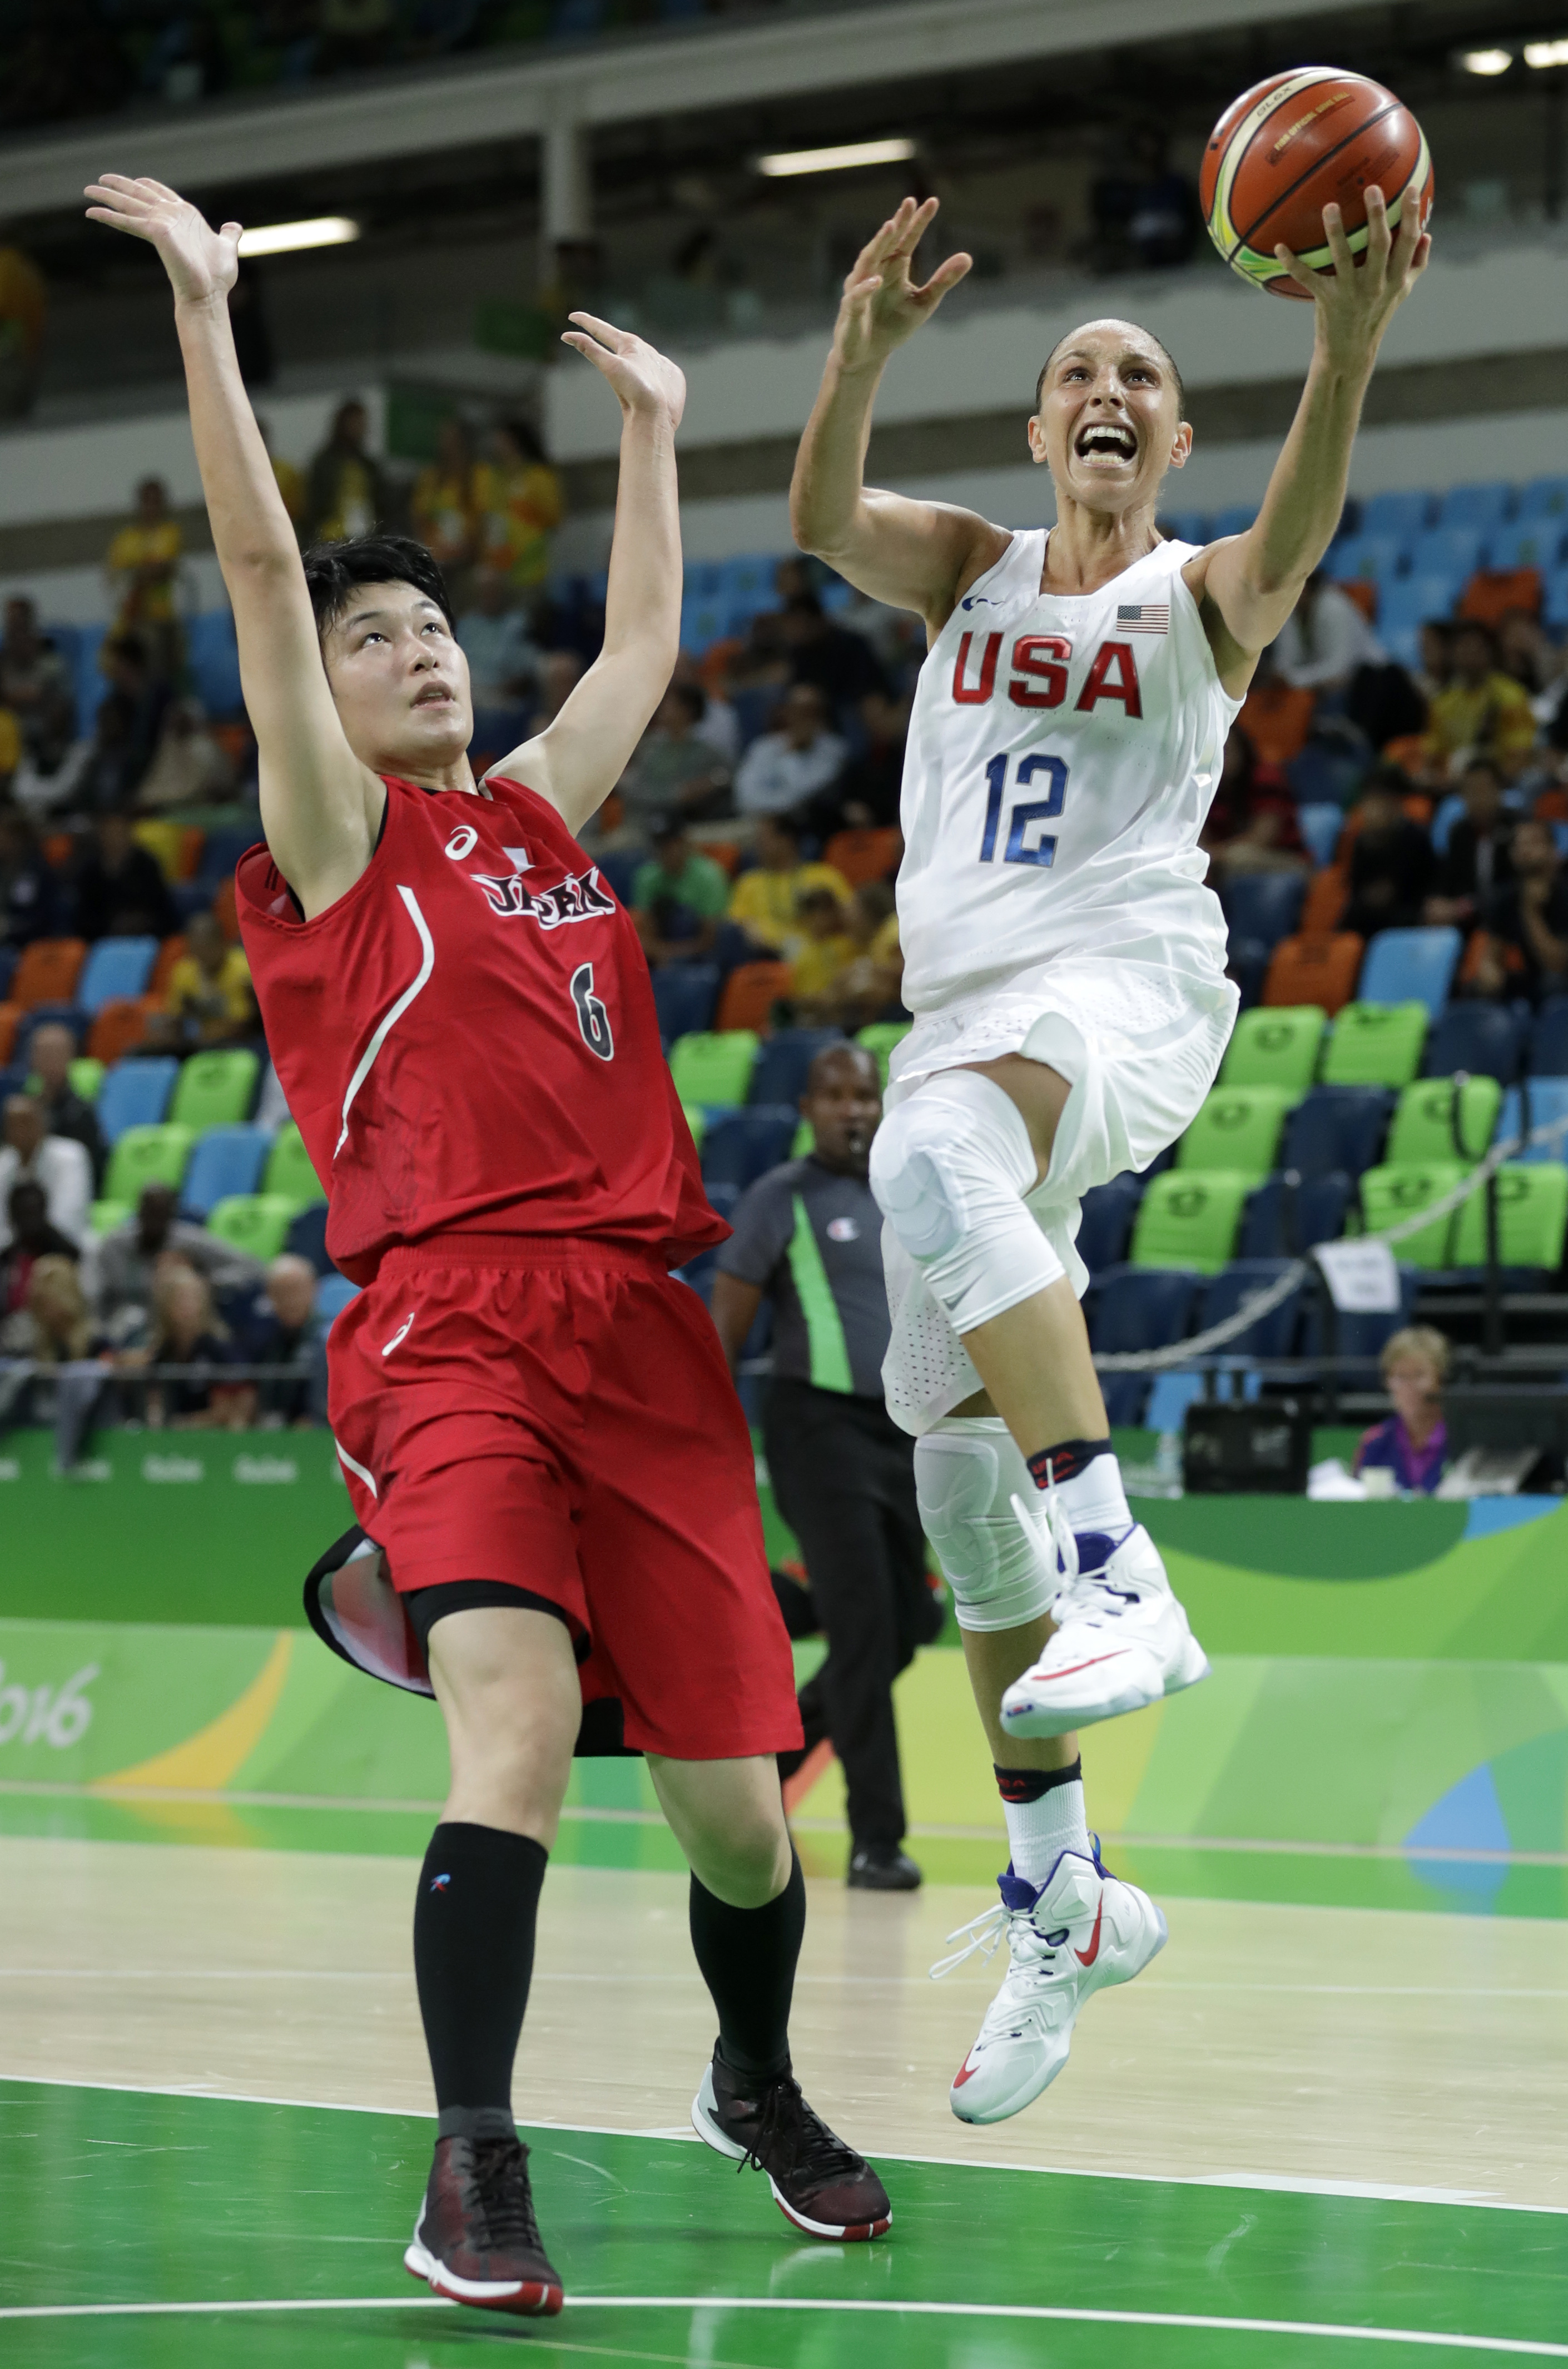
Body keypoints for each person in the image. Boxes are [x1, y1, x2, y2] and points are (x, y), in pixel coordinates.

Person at [86, 172, 890, 2315]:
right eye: (374, 638)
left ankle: (748, 2074)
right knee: (512, 1728)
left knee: (739, 1812)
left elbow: (638, 642)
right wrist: (204, 309)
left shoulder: (535, 817)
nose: (415, 641)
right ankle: (470, 2166)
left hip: (639, 1335)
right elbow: (260, 562)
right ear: (317, 707)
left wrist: (652, 423)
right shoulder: (333, 849)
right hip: (451, 1323)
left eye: (428, 622)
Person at [790, 185, 1428, 2122]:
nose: (1105, 387)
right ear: (1037, 424)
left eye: (1139, 376)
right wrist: (859, 354)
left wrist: (1347, 344)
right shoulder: (970, 568)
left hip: (1128, 992)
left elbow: (1300, 530)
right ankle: (1063, 1891)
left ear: (1174, 438)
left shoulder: (1198, 593)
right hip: (972, 1018)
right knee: (950, 1473)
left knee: (925, 1168)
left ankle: (1121, 1560)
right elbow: (824, 520)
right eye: (1077, 369)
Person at [711, 1045, 941, 1891]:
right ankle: (876, 1841)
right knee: (863, 1630)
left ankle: (783, 1619)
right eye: (837, 1095)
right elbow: (723, 1330)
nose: (854, 1110)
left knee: (906, 1624)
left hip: (903, 1434)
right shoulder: (781, 1199)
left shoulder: (907, 1190)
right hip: (817, 1429)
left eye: (866, 1095)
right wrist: (706, 1441)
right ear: (808, 1105)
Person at [87, 1179, 263, 1344]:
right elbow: (95, 1297)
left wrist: (204, 1281)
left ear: (172, 1216)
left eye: (161, 1215)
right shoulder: (114, 1246)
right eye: (149, 1214)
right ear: (139, 1212)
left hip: (182, 1332)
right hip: (124, 1330)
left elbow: (253, 1267)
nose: (154, 1224)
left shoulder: (191, 1241)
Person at [138, 1260, 250, 1428]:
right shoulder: (162, 1352)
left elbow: (226, 1411)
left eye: (192, 1298)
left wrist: (182, 1424)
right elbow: (155, 1404)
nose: (186, 1306)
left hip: (213, 1439)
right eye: (179, 1299)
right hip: (172, 1441)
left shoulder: (217, 1349)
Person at [1470, 817, 1568, 1002]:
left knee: (1552, 982)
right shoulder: (1504, 897)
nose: (1525, 850)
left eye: (1534, 842)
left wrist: (1531, 912)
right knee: (1477, 988)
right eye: (1519, 844)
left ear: (1553, 850)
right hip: (1527, 980)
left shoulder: (1564, 895)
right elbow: (1493, 953)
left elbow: (1557, 964)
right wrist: (1490, 971)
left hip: (1559, 982)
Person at [1427, 620, 1538, 781]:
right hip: (1455, 783)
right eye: (1464, 648)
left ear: (1490, 652)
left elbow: (1522, 754)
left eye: (1477, 648)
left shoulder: (1511, 696)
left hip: (1503, 782)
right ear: (1452, 653)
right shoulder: (1442, 703)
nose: (1471, 654)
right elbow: (1434, 756)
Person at [726, 815, 852, 953]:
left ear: (787, 840)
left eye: (764, 840)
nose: (758, 846)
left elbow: (847, 914)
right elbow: (736, 922)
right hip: (764, 954)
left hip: (815, 951)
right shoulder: (749, 882)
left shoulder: (823, 876)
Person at [619, 682, 732, 829]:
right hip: (646, 821)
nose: (662, 708)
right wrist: (676, 795)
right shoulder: (650, 748)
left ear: (687, 709)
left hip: (692, 822)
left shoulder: (708, 751)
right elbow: (635, 789)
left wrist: (712, 782)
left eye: (669, 704)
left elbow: (728, 775)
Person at [474, 418, 563, 599]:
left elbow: (554, 520)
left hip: (529, 570)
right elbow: (483, 517)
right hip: (495, 569)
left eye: (502, 439)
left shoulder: (539, 477)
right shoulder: (488, 477)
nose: (497, 445)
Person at [1353, 1325, 1448, 1494]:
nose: (1409, 1387)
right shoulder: (1374, 1442)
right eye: (1400, 1376)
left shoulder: (1460, 1442)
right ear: (1388, 1382)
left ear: (1439, 1380)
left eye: (1419, 1375)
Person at [734, 682, 848, 820]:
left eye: (811, 711)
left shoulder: (834, 750)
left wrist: (793, 751)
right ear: (787, 712)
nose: (804, 718)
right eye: (798, 710)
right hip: (761, 823)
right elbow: (744, 796)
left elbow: (799, 798)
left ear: (822, 714)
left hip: (804, 827)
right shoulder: (764, 746)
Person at [1424, 758, 1514, 930]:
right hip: (1467, 920)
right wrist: (1438, 901)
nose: (1477, 798)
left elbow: (1516, 888)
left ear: (1499, 790)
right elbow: (1449, 879)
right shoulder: (1460, 832)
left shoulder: (1516, 828)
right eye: (1469, 791)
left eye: (1482, 789)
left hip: (1506, 921)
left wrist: (1469, 906)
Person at [1341, 776, 1434, 940]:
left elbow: (1414, 886)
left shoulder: (1414, 837)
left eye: (1378, 802)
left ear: (1394, 805)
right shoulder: (1362, 843)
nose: (1372, 810)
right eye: (1368, 803)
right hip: (1369, 917)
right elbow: (1356, 887)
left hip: (1409, 914)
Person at [242, 1252, 329, 1425]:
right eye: (279, 1292)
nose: (289, 1300)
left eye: (295, 1290)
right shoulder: (260, 1338)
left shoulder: (329, 1339)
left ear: (314, 1289)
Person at [629, 817, 730, 965]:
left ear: (684, 842)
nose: (666, 851)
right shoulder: (646, 878)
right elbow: (644, 932)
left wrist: (672, 955)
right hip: (660, 959)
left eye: (671, 844)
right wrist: (658, 952)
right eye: (660, 845)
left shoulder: (709, 876)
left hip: (703, 959)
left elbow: (711, 939)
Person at [105, 475, 182, 663]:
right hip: (130, 619)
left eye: (156, 502)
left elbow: (164, 569)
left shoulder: (170, 532)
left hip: (162, 619)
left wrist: (138, 573)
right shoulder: (125, 539)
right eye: (147, 501)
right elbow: (115, 579)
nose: (152, 507)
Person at [0, 1094, 92, 1249]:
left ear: (43, 1123)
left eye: (26, 1123)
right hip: (12, 1254)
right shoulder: (4, 1162)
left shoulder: (71, 1156)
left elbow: (68, 1218)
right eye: (13, 1125)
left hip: (62, 1250)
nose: (19, 1131)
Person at [1270, 569, 1382, 693]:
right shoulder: (1289, 612)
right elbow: (1286, 662)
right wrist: (1284, 676)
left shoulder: (1334, 607)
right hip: (1321, 686)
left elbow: (1339, 668)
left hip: (1366, 682)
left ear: (1307, 585)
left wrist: (1294, 678)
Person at [0, 1180, 80, 1353]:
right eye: (23, 1214)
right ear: (12, 1216)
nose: (29, 1221)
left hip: (56, 1342)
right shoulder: (6, 1260)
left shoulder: (67, 1255)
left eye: (33, 1213)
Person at [74, 811, 180, 941]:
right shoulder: (90, 870)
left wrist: (141, 922)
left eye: (120, 832)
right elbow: (84, 914)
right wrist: (110, 926)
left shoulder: (147, 864)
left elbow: (162, 906)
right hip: (102, 940)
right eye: (111, 833)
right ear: (101, 836)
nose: (116, 838)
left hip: (147, 936)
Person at [26, 1021, 106, 1189]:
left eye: (55, 1054)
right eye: (43, 1054)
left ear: (70, 1058)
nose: (48, 1061)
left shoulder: (81, 1113)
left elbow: (92, 1170)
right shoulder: (26, 1110)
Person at [163, 908, 259, 1045]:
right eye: (196, 948)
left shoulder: (244, 968)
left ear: (223, 943)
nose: (202, 954)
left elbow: (248, 1023)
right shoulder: (183, 972)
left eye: (207, 947)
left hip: (244, 1043)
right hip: (200, 1044)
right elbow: (175, 1018)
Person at [0, 597, 76, 766]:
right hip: (9, 729)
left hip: (43, 728)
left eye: (19, 625)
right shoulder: (4, 662)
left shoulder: (51, 661)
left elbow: (61, 700)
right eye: (10, 625)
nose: (14, 632)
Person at [305, 398, 390, 543]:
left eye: (361, 423)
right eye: (354, 422)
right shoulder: (325, 463)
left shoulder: (368, 466)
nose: (358, 428)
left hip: (365, 533)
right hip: (331, 535)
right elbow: (314, 504)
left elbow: (380, 502)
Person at [455, 571, 540, 712]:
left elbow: (526, 667)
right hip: (473, 692)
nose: (490, 596)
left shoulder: (518, 624)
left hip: (506, 692)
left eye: (494, 591)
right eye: (485, 592)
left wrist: (510, 687)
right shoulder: (466, 625)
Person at [412, 417, 480, 574]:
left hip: (467, 561)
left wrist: (468, 548)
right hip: (436, 560)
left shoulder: (478, 476)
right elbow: (419, 515)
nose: (447, 444)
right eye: (443, 438)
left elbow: (483, 517)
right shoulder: (430, 477)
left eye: (452, 439)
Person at [0, 808, 62, 947]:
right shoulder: (3, 869)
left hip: (28, 943)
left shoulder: (38, 872)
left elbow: (43, 918)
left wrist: (10, 929)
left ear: (18, 840)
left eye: (4, 837)